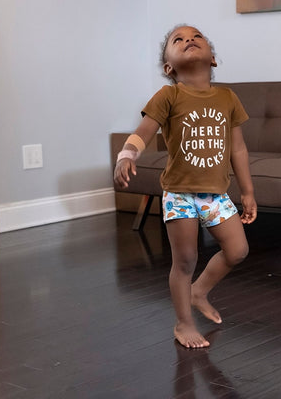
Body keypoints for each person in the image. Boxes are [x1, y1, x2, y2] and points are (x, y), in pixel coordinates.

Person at [114, 24, 257, 348]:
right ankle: (183, 322)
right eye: (178, 40)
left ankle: (199, 291)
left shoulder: (227, 97)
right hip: (179, 193)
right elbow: (143, 132)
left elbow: (238, 149)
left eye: (196, 37)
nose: (188, 40)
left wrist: (247, 191)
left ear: (213, 59)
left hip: (216, 194)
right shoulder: (169, 95)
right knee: (185, 260)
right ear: (169, 67)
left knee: (237, 250)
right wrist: (126, 154)